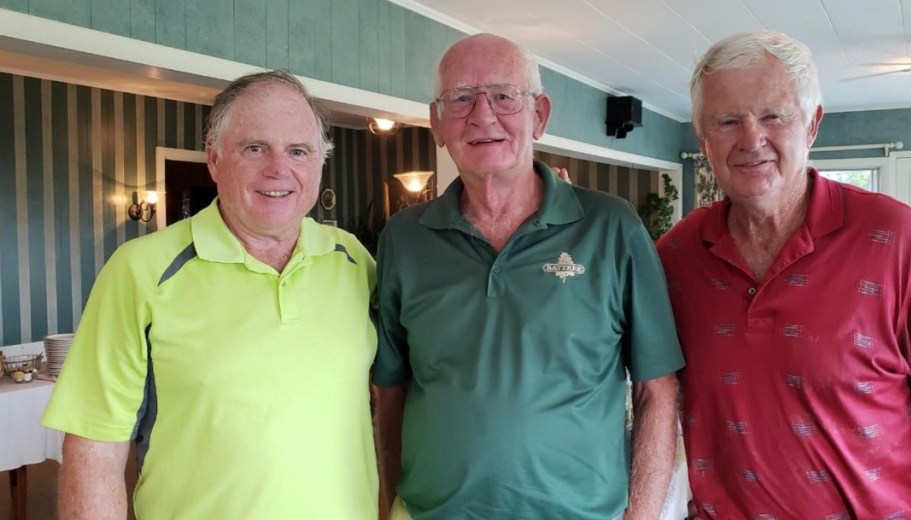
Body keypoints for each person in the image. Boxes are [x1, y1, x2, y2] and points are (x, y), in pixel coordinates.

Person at [657, 30, 911, 519]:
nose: (751, 138)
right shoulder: (675, 255)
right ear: (704, 139)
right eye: (726, 121)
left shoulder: (897, 237)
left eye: (772, 115)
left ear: (811, 125)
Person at [372, 33, 684, 520]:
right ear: (437, 123)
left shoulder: (611, 226)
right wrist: (383, 504)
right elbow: (389, 392)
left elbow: (657, 389)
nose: (482, 115)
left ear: (539, 115)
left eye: (503, 95)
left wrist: (641, 516)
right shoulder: (404, 238)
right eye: (460, 98)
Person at [42, 70, 379, 519]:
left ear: (320, 164)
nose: (279, 168)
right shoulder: (140, 269)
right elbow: (95, 448)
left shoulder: (354, 261)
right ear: (215, 160)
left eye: (298, 151)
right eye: (255, 148)